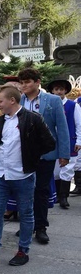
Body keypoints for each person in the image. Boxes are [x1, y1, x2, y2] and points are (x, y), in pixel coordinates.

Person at [0, 85, 55, 267]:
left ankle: (23, 250)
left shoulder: (33, 119)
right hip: (0, 175)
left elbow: (49, 143)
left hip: (23, 176)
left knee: (26, 213)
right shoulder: (1, 121)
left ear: (12, 100)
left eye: (0, 101)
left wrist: (32, 156)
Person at [18, 68, 70, 244]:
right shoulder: (19, 100)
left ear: (37, 82)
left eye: (28, 82)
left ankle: (41, 227)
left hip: (46, 154)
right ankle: (27, 224)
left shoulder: (52, 100)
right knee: (24, 191)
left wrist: (64, 154)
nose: (24, 86)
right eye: (22, 83)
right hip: (23, 154)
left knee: (41, 190)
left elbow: (61, 128)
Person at [46, 79, 81, 209]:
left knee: (67, 169)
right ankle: (56, 194)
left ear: (65, 90)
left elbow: (79, 124)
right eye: (56, 89)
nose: (59, 91)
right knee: (55, 170)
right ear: (52, 91)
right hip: (53, 142)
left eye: (61, 89)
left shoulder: (72, 106)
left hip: (70, 141)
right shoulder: (49, 104)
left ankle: (64, 197)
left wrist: (79, 141)